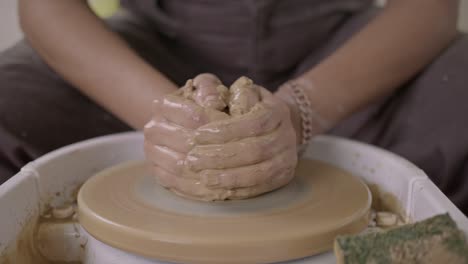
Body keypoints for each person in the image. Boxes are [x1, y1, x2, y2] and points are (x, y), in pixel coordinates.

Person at [1, 0, 467, 213]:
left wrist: (304, 110)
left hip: (340, 50)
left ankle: (409, 248)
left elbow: (432, 7)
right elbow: (46, 6)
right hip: (151, 45)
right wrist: (166, 114)